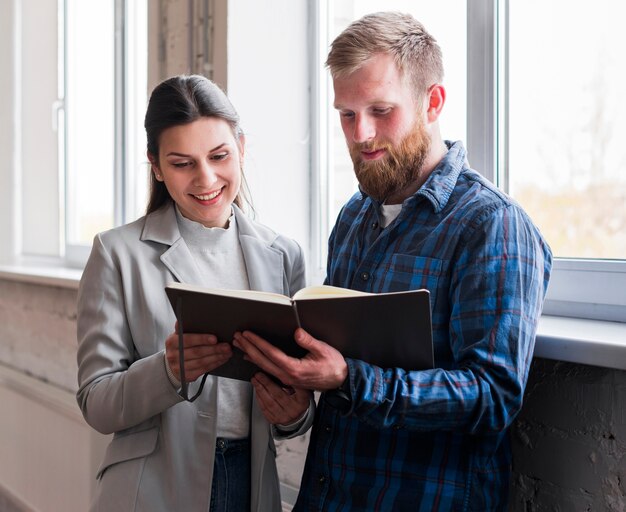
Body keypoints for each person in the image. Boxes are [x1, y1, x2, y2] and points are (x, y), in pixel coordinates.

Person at [233, 11, 552, 511]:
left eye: (381, 110)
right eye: (346, 113)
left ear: (433, 102)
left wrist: (350, 380)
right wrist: (301, 398)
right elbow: (333, 362)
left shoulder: (492, 226)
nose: (361, 134)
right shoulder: (354, 217)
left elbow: (493, 397)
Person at [76, 74, 314, 512]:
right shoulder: (116, 253)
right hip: (153, 487)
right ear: (156, 166)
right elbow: (97, 404)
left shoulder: (283, 255)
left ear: (241, 147)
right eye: (182, 163)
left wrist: (294, 414)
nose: (206, 179)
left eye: (219, 156)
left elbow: (294, 400)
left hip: (250, 483)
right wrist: (168, 371)